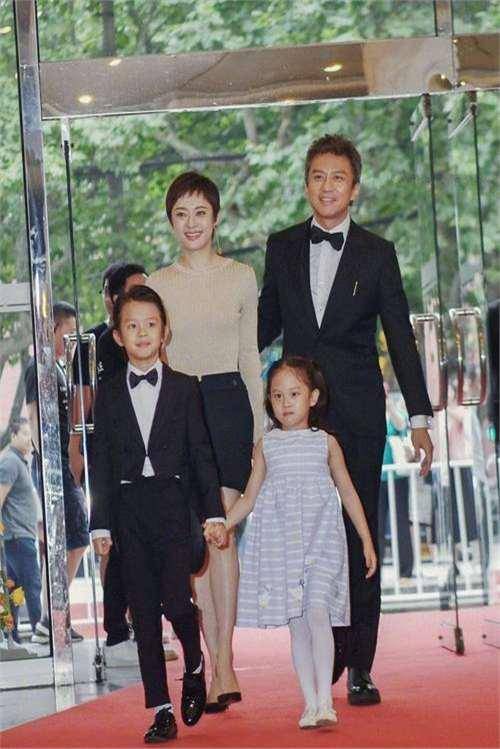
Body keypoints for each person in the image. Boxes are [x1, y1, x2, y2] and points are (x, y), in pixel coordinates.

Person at [258, 133, 433, 704]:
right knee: (306, 531)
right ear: (306, 184)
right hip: (295, 419)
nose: (327, 186)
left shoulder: (377, 252)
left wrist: (420, 415)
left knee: (360, 530)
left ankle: (359, 663)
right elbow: (262, 326)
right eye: (317, 176)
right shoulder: (282, 246)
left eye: (337, 177)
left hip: (358, 412)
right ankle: (324, 647)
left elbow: (400, 337)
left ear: (354, 188)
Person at [90, 284, 227, 743]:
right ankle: (162, 708)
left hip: (173, 507)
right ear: (118, 336)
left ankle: (194, 661)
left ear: (165, 331)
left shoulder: (186, 387)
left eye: (151, 324)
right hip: (129, 512)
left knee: (176, 602)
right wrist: (100, 522)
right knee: (144, 613)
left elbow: (202, 455)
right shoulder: (109, 394)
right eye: (132, 326)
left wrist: (213, 514)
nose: (143, 332)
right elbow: (101, 462)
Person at [148, 171, 263, 710]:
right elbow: (153, 358)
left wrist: (261, 429)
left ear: (216, 218)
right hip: (178, 409)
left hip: (227, 405)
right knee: (195, 541)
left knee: (223, 535)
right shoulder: (158, 283)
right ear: (171, 222)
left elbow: (250, 357)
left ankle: (227, 662)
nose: (191, 223)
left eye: (200, 213)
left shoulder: (242, 276)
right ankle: (215, 663)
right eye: (181, 214)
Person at [214, 357, 376, 729]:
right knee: (298, 624)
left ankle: (326, 702)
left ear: (313, 397)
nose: (285, 403)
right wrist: (224, 523)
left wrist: (366, 539)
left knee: (318, 610)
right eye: (277, 396)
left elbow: (348, 492)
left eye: (294, 394)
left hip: (323, 541)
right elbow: (249, 497)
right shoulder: (266, 446)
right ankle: (311, 702)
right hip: (283, 546)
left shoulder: (326, 443)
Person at [68, 261, 176, 667]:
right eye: (133, 290)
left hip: (152, 463)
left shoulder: (153, 337)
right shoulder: (93, 343)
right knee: (110, 546)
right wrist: (76, 453)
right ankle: (120, 629)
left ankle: (150, 625)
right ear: (112, 299)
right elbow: (82, 407)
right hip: (109, 461)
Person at [25, 302, 90, 644]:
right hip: (54, 465)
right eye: (68, 333)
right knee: (75, 537)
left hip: (63, 462)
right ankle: (52, 618)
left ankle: (53, 617)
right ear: (53, 328)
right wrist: (51, 464)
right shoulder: (38, 367)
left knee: (74, 538)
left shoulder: (59, 368)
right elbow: (35, 419)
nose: (72, 341)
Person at [0, 418, 43, 643]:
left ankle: (12, 637)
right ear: (13, 436)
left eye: (30, 434)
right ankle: (40, 634)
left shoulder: (18, 462)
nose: (29, 438)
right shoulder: (10, 462)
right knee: (32, 586)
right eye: (24, 433)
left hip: (20, 537)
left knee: (16, 590)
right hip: (17, 538)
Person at [377, 386, 414, 581]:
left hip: (397, 476)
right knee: (378, 524)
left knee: (400, 521)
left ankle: (406, 570)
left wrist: (388, 405)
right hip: (378, 477)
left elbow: (401, 425)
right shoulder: (368, 411)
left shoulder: (395, 409)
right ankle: (377, 569)